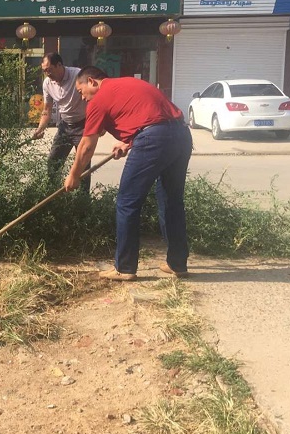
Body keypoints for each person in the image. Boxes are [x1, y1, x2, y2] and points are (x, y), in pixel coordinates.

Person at [64, 66, 193, 281]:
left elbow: (86, 146)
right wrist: (130, 142)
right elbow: (150, 117)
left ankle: (124, 268)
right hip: (181, 135)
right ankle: (178, 264)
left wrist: (74, 175)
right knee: (172, 201)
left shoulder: (99, 99)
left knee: (127, 202)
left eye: (81, 91)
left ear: (92, 82)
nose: (83, 98)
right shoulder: (128, 84)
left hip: (153, 138)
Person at [32, 52, 91, 193]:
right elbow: (47, 109)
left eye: (49, 70)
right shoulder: (47, 83)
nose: (47, 74)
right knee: (53, 164)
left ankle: (83, 201)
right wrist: (40, 128)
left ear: (59, 65)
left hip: (83, 126)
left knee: (82, 168)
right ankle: (52, 195)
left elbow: (93, 99)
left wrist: (99, 124)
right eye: (44, 71)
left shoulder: (78, 75)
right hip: (64, 126)